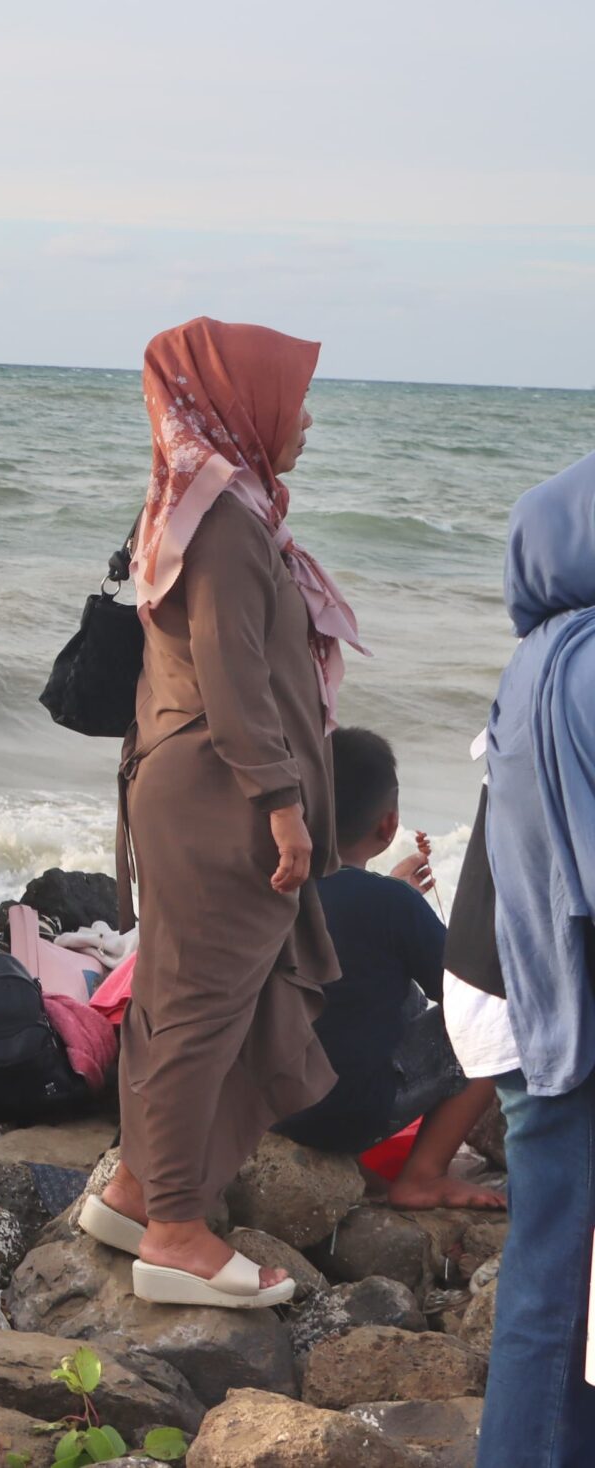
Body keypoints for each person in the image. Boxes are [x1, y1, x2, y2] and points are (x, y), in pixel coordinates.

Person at [81, 317, 365, 1310]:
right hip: (221, 796)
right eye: (292, 400)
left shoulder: (200, 506)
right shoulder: (228, 525)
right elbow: (237, 680)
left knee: (173, 998)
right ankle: (172, 1229)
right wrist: (283, 808)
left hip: (187, 782)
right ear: (243, 405)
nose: (307, 422)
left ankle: (133, 1189)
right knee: (203, 1011)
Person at [476, 450, 595, 1464]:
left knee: (548, 1279)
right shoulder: (590, 666)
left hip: (532, 1003)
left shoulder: (535, 662)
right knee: (556, 1291)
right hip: (574, 1022)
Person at [271, 728, 503, 1209]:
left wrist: (389, 896)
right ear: (388, 824)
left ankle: (352, 1166)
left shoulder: (263, 887)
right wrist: (399, 903)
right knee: (495, 1017)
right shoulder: (389, 903)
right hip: (347, 1114)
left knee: (352, 1003)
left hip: (266, 1109)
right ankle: (423, 1176)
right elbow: (465, 992)